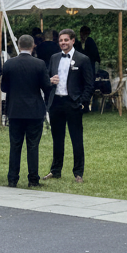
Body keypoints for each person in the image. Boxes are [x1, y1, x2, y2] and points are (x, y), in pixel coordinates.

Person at [42, 29, 93, 184]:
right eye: (61, 40)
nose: (63, 43)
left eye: (66, 40)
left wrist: (81, 101)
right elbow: (48, 77)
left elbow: (89, 84)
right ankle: (55, 170)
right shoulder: (54, 57)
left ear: (72, 40)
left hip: (73, 103)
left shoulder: (82, 59)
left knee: (76, 139)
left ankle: (78, 173)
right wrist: (51, 81)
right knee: (57, 139)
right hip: (56, 102)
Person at [0, 34, 50, 188]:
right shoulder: (39, 64)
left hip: (15, 110)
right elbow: (46, 87)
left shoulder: (9, 64)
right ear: (33, 45)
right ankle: (33, 179)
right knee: (33, 146)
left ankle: (12, 179)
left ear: (19, 45)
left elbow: (4, 87)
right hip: (34, 110)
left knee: (15, 145)